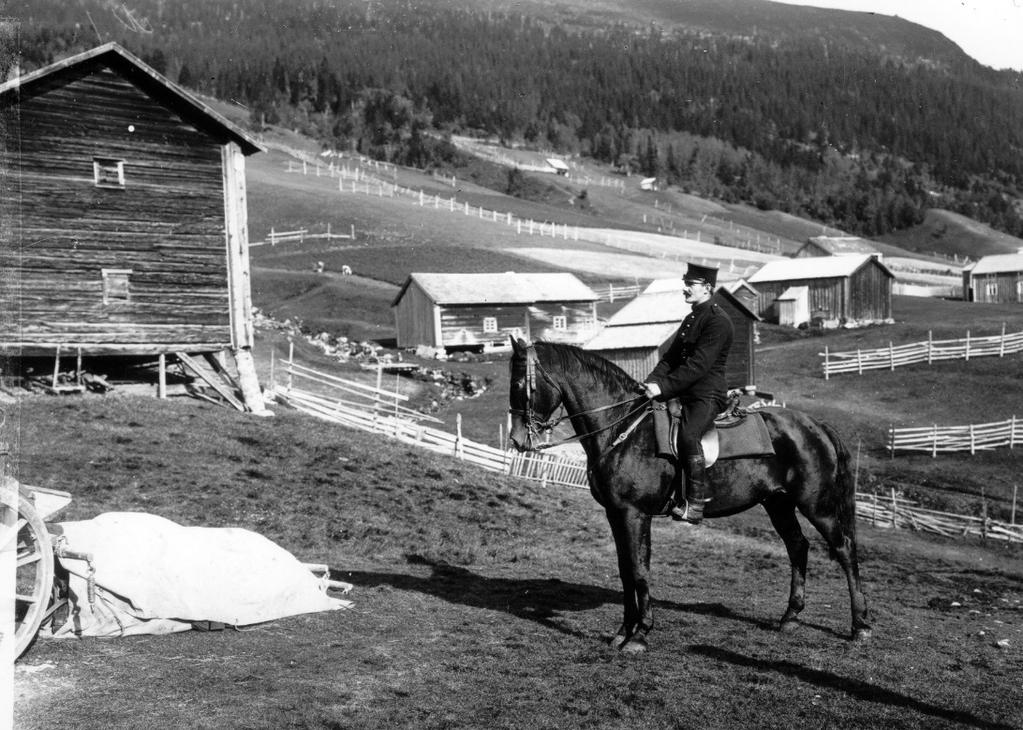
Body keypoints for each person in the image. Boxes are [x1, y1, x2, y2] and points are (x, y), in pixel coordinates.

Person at [640, 263, 733, 524]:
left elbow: (698, 366)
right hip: (683, 393)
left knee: (689, 435)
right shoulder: (692, 318)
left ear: (707, 288)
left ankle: (695, 504)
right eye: (686, 282)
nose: (685, 288)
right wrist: (650, 384)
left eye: (690, 284)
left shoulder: (718, 321)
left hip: (707, 394)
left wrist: (664, 387)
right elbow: (669, 359)